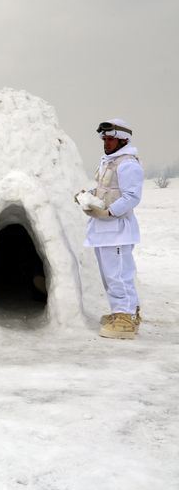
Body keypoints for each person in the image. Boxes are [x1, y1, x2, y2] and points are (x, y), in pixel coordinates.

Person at [75, 119, 143, 339]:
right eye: (104, 138)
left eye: (111, 138)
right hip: (104, 231)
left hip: (117, 231)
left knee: (119, 275)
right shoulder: (109, 161)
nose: (106, 142)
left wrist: (109, 212)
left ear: (123, 139)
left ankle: (125, 318)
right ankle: (122, 313)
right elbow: (106, 188)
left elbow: (132, 196)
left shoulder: (128, 164)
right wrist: (89, 197)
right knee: (109, 276)